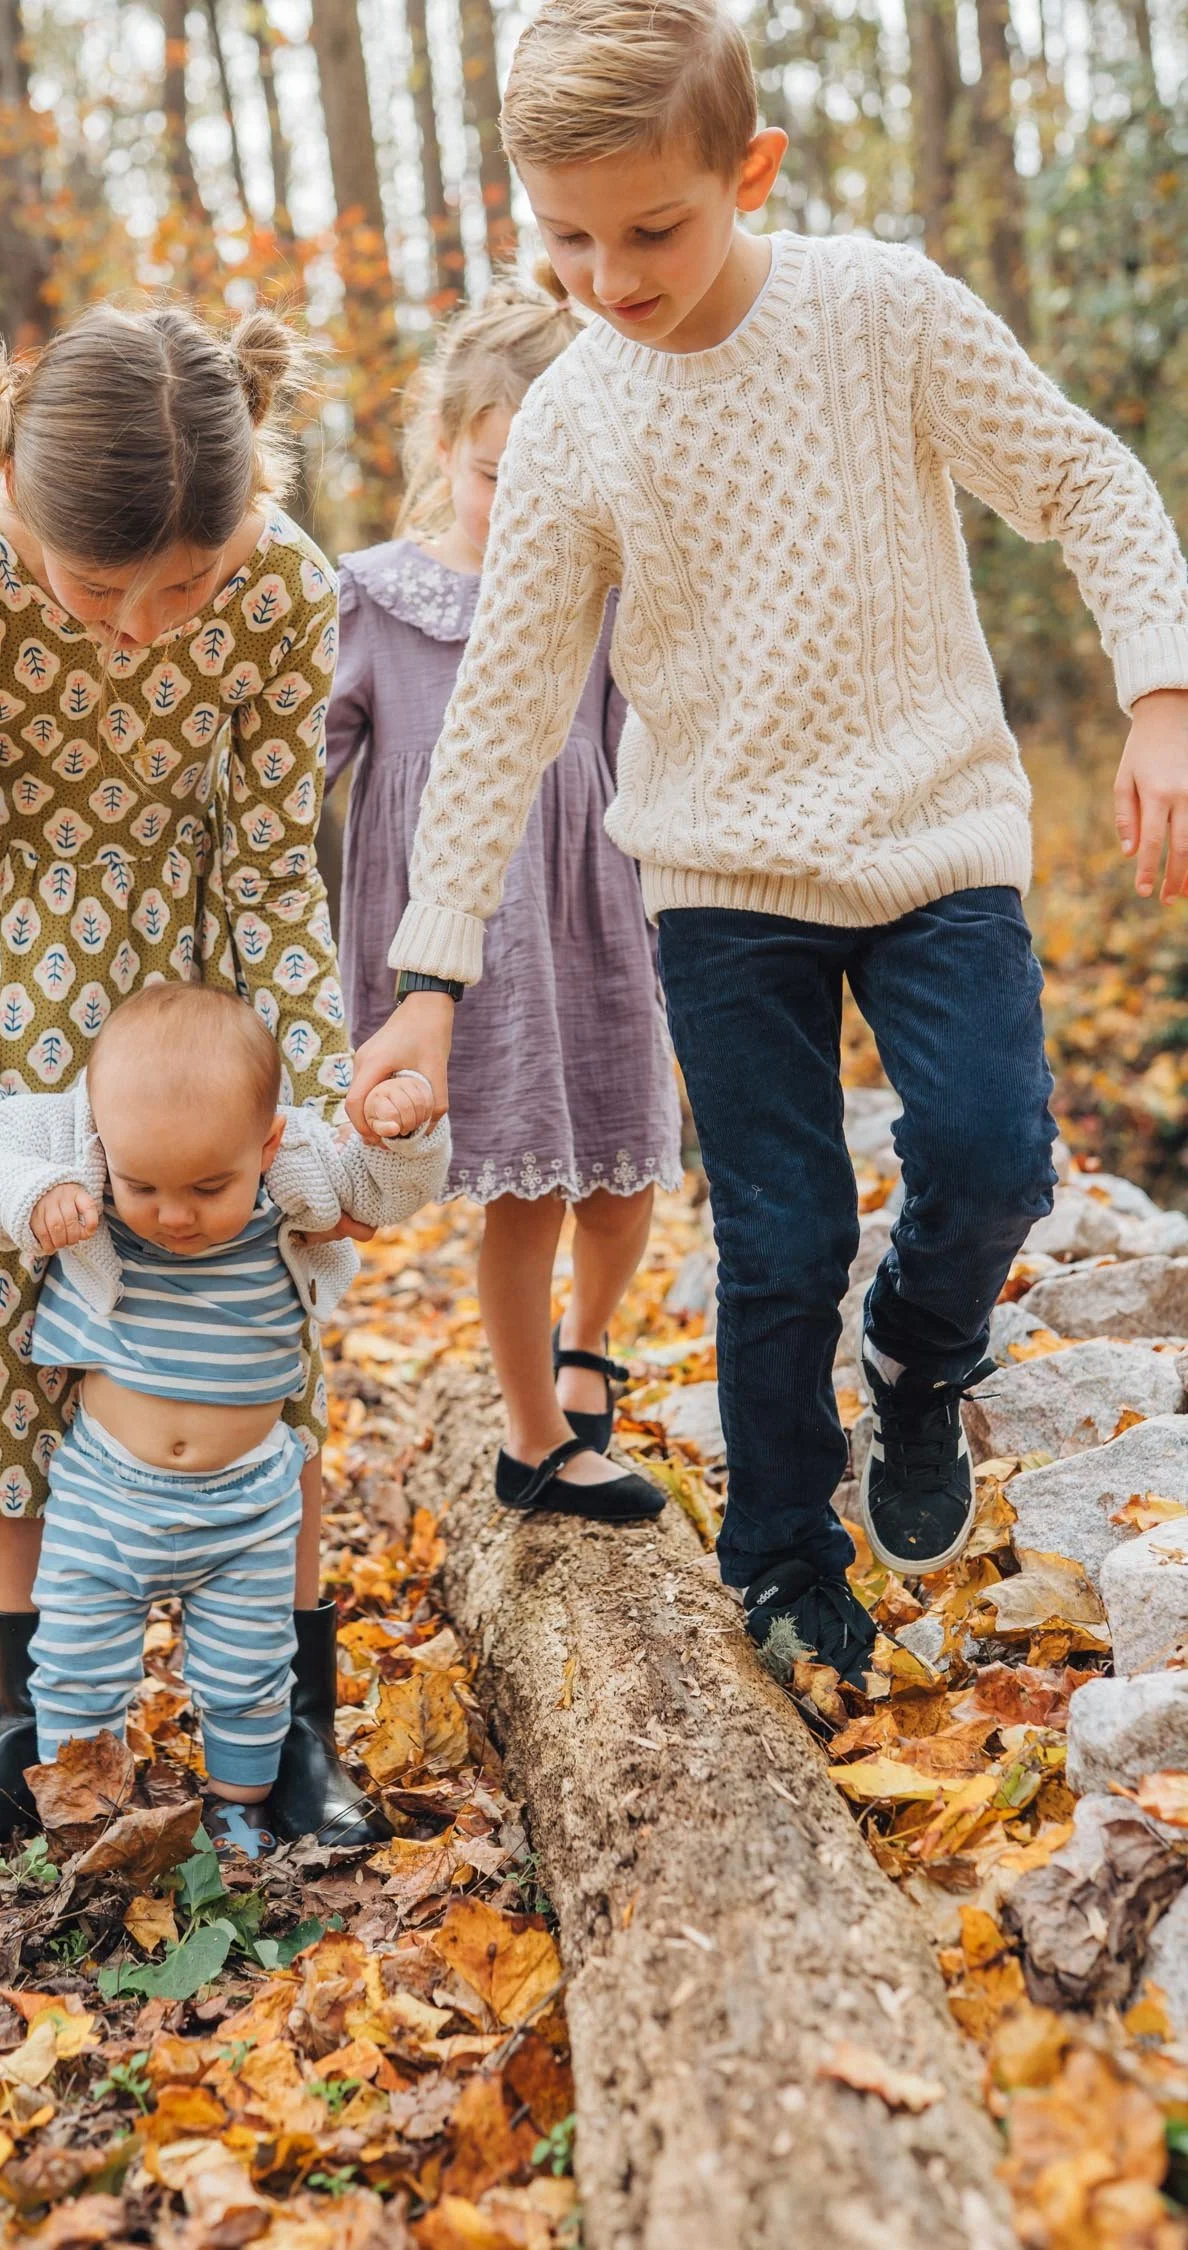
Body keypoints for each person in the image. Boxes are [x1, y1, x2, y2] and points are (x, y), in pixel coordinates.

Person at [348, 0, 1188, 1683]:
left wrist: (1160, 692)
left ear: (752, 169)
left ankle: (920, 1355)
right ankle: (788, 1554)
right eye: (568, 239)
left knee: (993, 1159)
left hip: (938, 829)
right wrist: (429, 975)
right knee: (781, 1238)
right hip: (720, 877)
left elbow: (1091, 482)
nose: (611, 275)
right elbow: (503, 713)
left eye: (652, 227)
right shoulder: (577, 418)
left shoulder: (876, 312)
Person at [0, 297, 392, 1855]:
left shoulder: (284, 584)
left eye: (183, 587)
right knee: (7, 1344)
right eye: (102, 591)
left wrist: (313, 1102)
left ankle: (292, 1735)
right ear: (28, 508)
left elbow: (279, 858)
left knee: (249, 1314)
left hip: (193, 987)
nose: (143, 625)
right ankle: (34, 1731)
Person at [0, 983, 448, 1858]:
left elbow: (388, 1187)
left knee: (251, 1675)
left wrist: (402, 1131)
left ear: (267, 1142)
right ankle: (81, 1810)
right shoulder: (81, 1153)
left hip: (248, 1505)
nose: (174, 1215)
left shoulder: (291, 1179)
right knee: (72, 1670)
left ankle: (236, 1806)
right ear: (104, 1143)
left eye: (209, 1187)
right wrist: (34, 1195)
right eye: (146, 1187)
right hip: (104, 1496)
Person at [327, 276, 680, 1523]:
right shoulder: (373, 601)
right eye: (494, 476)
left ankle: (589, 1344)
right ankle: (535, 1439)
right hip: (472, 939)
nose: (521, 509)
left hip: (596, 915)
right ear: (446, 447)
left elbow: (644, 746)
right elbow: (295, 767)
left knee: (627, 1172)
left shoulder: (610, 591)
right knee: (528, 1190)